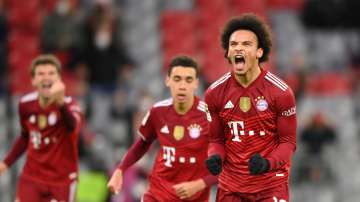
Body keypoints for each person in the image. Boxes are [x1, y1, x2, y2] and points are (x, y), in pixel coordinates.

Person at [204, 13, 297, 202]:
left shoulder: (281, 92)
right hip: (231, 188)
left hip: (270, 186)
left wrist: (267, 163)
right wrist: (215, 157)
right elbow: (216, 140)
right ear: (228, 53)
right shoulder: (214, 93)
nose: (238, 48)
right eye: (234, 44)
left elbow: (288, 142)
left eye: (246, 44)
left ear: (259, 52)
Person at [107, 55, 217, 202]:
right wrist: (120, 170)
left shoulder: (209, 116)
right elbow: (142, 144)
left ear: (196, 83)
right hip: (158, 194)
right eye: (177, 79)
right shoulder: (158, 111)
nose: (182, 86)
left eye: (188, 80)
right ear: (168, 81)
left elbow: (224, 163)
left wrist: (200, 184)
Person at [0, 54, 83, 202]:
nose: (46, 77)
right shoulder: (25, 104)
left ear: (59, 79)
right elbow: (26, 136)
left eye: (51, 73)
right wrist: (6, 163)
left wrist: (60, 104)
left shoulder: (70, 104)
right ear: (33, 80)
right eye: (41, 74)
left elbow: (73, 126)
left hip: (61, 180)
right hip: (32, 176)